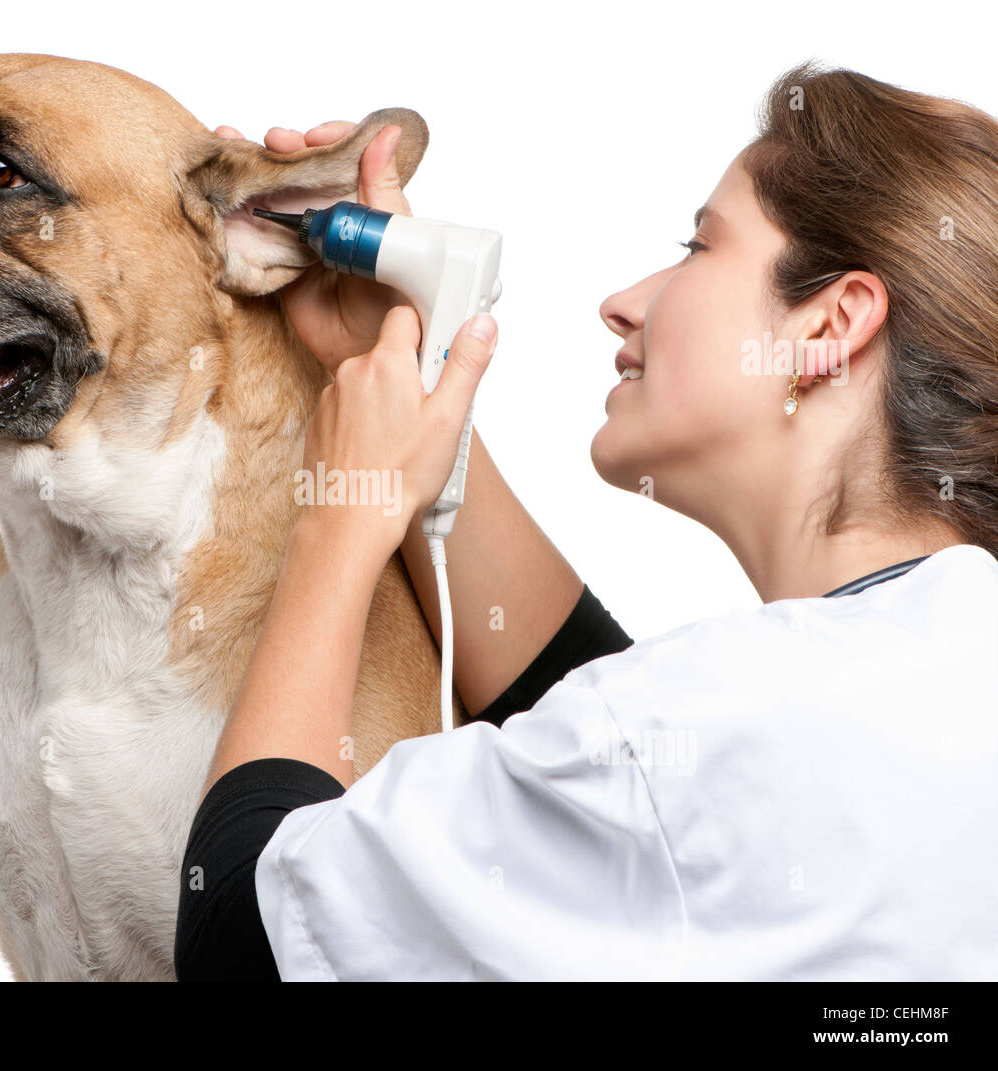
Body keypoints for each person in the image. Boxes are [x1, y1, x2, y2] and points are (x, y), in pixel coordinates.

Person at [174, 61, 998, 981]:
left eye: (698, 247)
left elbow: (237, 941)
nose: (624, 303)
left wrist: (342, 516)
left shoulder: (717, 722)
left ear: (831, 322)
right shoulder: (926, 668)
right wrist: (401, 377)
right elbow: (637, 791)